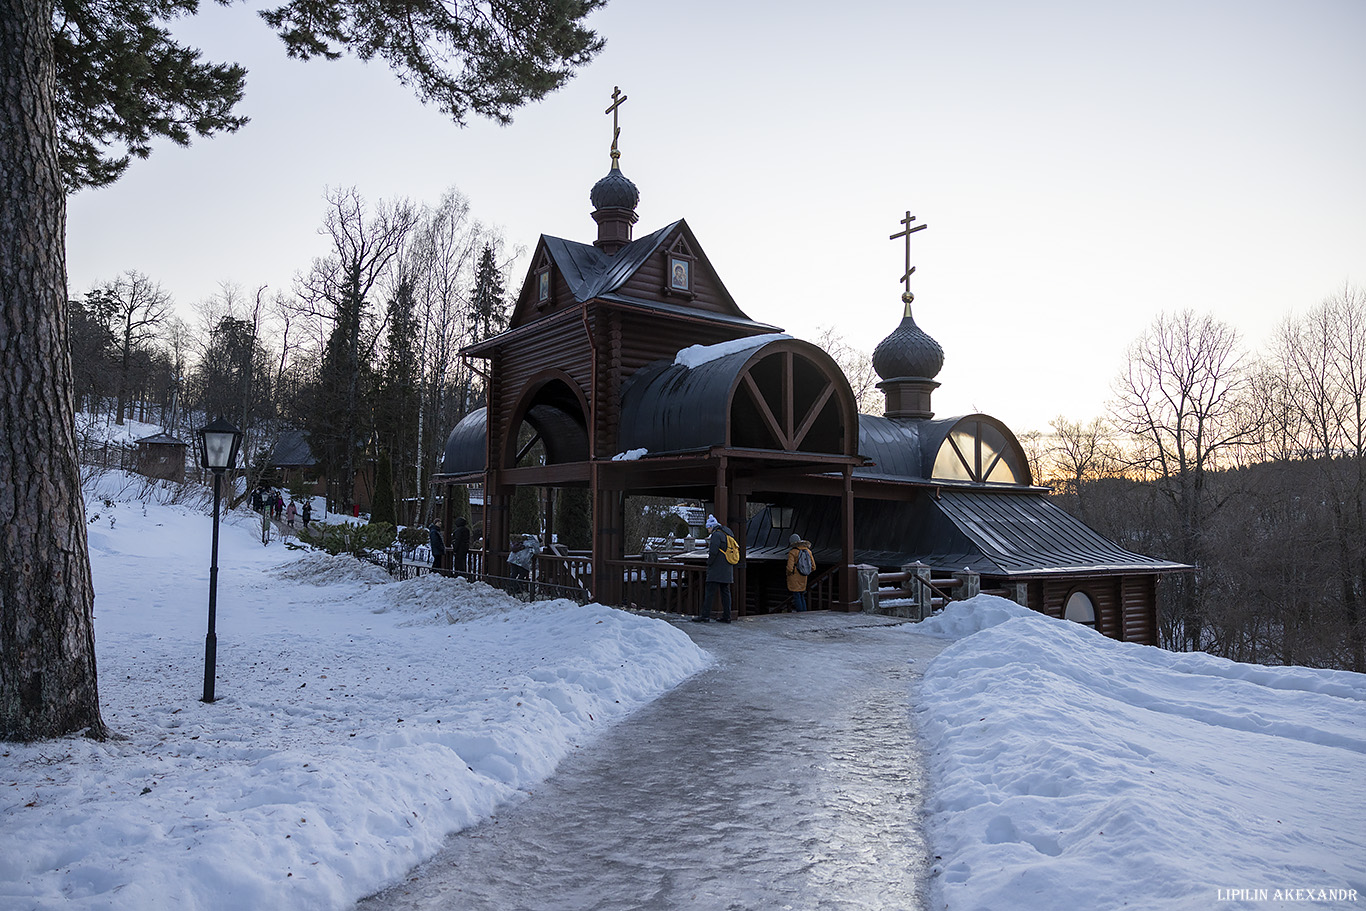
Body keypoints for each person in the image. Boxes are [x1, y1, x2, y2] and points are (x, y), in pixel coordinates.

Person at [695, 514, 735, 623]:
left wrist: (709, 563)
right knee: (725, 593)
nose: (707, 529)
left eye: (708, 527)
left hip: (717, 569)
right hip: (727, 568)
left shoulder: (716, 535)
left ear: (712, 526)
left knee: (709, 593)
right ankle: (727, 616)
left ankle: (705, 616)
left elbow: (713, 552)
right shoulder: (727, 533)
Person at [785, 533, 815, 612]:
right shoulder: (808, 551)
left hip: (794, 577)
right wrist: (805, 571)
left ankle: (800, 613)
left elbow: (789, 567)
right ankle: (804, 612)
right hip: (804, 576)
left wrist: (789, 574)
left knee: (796, 595)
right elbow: (813, 567)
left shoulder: (792, 552)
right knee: (802, 594)